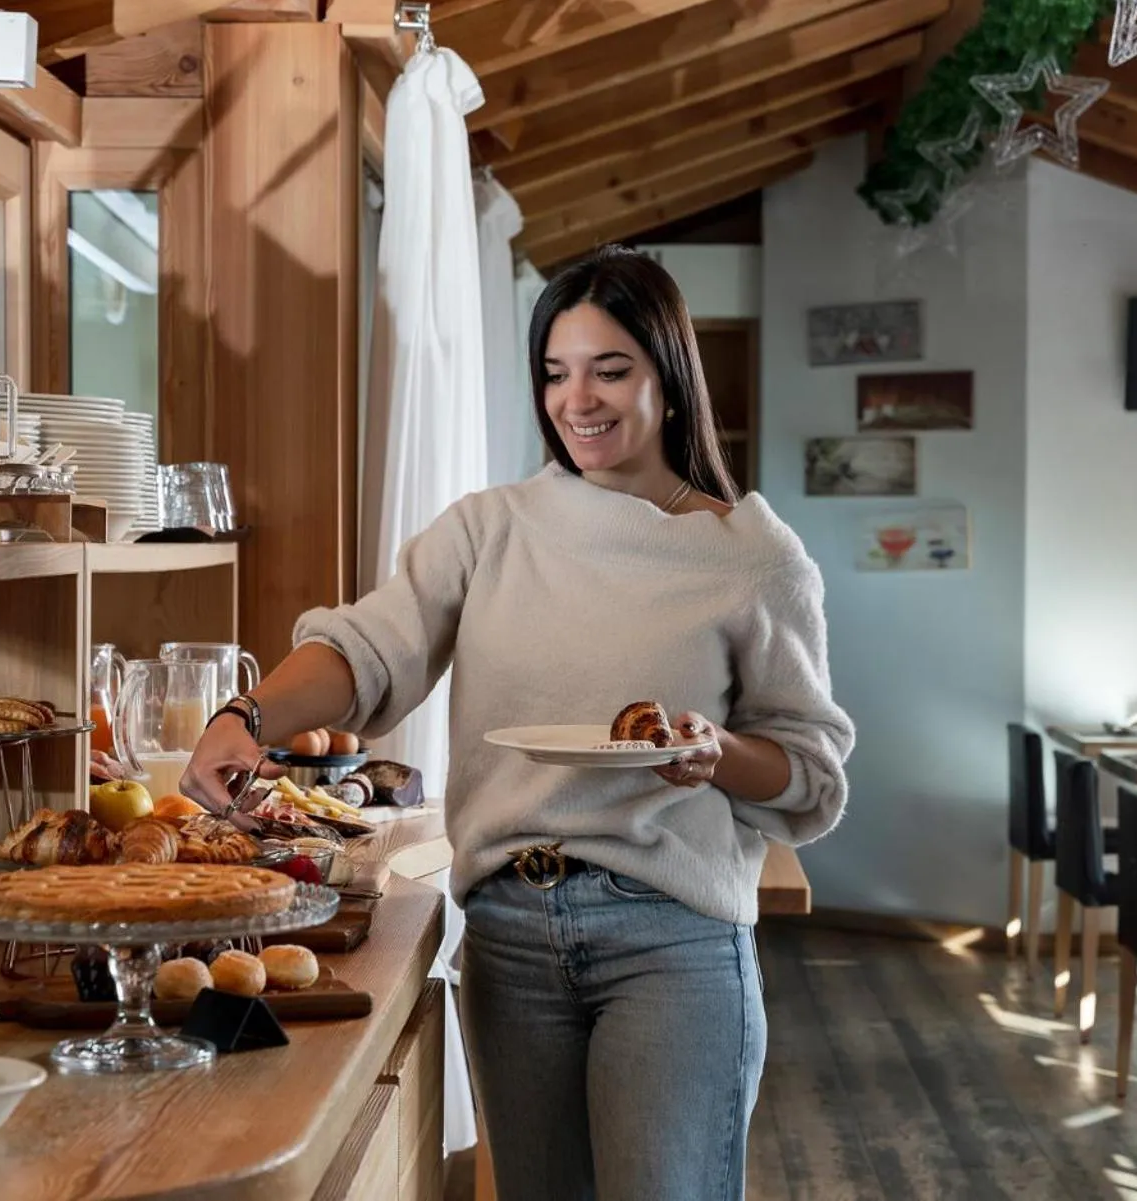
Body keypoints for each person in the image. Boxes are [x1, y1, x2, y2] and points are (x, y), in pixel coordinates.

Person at [182, 244, 853, 1201]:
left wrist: (716, 753)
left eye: (610, 369)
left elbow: (811, 771)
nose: (578, 399)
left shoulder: (752, 555)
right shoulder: (488, 528)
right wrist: (246, 713)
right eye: (555, 371)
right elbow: (367, 649)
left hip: (671, 941)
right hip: (508, 933)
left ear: (669, 376)